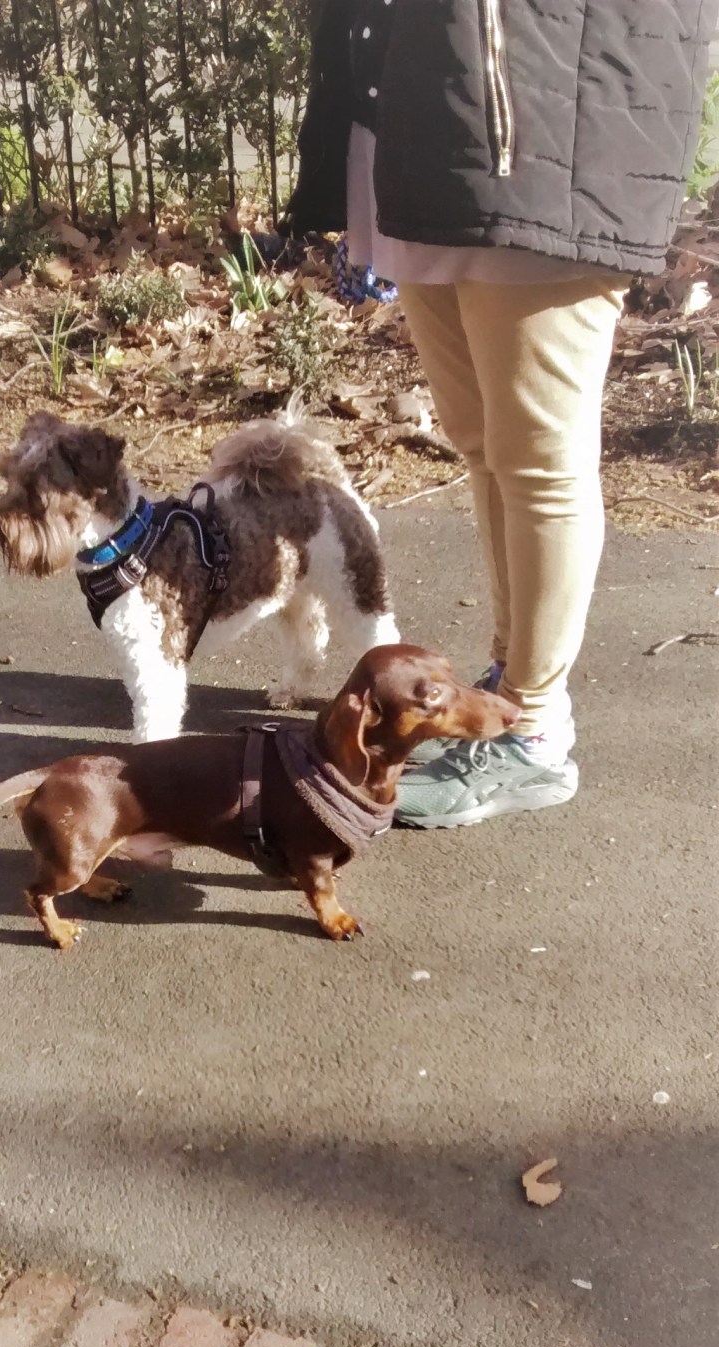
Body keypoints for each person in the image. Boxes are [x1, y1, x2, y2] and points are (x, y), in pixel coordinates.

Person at [285, 0, 717, 827]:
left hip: (550, 121)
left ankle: (537, 729)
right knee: (482, 446)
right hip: (424, 123)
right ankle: (510, 686)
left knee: (542, 464)